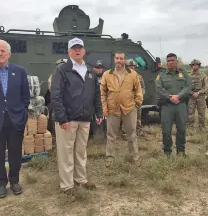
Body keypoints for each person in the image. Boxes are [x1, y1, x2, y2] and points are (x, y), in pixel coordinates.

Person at [50, 37, 103, 195]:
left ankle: (81, 179)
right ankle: (67, 185)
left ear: (84, 51)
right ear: (69, 52)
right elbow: (56, 95)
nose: (77, 50)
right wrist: (61, 117)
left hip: (85, 118)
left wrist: (99, 112)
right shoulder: (61, 70)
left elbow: (96, 95)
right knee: (66, 152)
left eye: (80, 48)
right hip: (68, 119)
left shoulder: (90, 71)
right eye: (74, 48)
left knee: (81, 151)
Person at [0, 39, 30, 198]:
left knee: (15, 152)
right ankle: (1, 184)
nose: (0, 53)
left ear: (9, 53)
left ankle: (15, 181)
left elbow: (26, 97)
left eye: (3, 50)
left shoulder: (20, 71)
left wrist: (23, 114)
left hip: (15, 119)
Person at [100, 51, 143, 167]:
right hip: (112, 109)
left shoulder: (132, 74)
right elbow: (103, 93)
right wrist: (104, 108)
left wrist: (137, 104)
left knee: (132, 135)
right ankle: (110, 158)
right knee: (111, 135)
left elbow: (138, 91)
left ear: (125, 60)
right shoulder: (107, 74)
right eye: (117, 58)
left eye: (121, 58)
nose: (119, 60)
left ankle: (135, 157)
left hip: (129, 109)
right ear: (114, 59)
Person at [156, 53, 191, 157]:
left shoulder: (184, 73)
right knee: (166, 130)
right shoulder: (161, 75)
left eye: (173, 60)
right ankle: (167, 151)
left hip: (181, 105)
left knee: (182, 129)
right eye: (169, 61)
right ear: (166, 63)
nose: (170, 62)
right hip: (167, 106)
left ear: (177, 62)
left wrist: (178, 96)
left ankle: (181, 151)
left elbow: (188, 87)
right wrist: (170, 97)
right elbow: (158, 88)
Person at [120, 60, 146, 137]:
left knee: (138, 117)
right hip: (126, 101)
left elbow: (143, 88)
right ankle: (125, 133)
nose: (131, 67)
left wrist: (139, 97)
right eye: (129, 66)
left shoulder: (139, 77)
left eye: (133, 66)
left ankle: (139, 131)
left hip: (137, 101)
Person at [187, 59, 207, 129]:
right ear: (192, 66)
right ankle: (190, 126)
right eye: (193, 65)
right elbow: (185, 86)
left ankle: (202, 126)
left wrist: (198, 93)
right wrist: (192, 93)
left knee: (201, 112)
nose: (195, 66)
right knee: (190, 111)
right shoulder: (188, 75)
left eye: (196, 65)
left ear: (199, 66)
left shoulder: (203, 75)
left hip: (200, 96)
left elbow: (206, 86)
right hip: (191, 96)